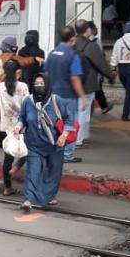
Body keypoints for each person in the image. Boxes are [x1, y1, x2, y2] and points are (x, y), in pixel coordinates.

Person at [18, 73, 75, 210]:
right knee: (33, 170)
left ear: (48, 85)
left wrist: (64, 135)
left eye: (42, 84)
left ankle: (48, 196)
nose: (39, 87)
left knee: (53, 172)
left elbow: (69, 118)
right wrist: (18, 126)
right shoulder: (28, 101)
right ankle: (29, 199)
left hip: (55, 144)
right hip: (34, 144)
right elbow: (22, 118)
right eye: (36, 84)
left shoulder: (56, 101)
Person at [45, 26, 85, 163]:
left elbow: (46, 74)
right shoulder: (72, 55)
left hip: (53, 95)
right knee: (70, 123)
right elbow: (75, 78)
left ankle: (53, 150)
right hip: (68, 95)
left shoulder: (52, 53)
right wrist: (83, 96)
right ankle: (67, 154)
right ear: (73, 39)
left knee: (54, 123)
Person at [73, 20, 115, 148]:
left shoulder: (71, 43)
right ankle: (79, 139)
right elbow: (100, 63)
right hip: (87, 83)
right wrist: (110, 76)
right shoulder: (90, 45)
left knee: (74, 111)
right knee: (84, 112)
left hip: (72, 82)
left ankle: (76, 137)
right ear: (88, 30)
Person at [0, 59, 29, 196]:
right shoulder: (23, 86)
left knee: (8, 156)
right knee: (26, 150)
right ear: (18, 71)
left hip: (5, 126)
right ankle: (17, 167)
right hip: (21, 126)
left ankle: (7, 187)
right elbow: (27, 105)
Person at [87, 21, 114, 114]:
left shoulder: (80, 41)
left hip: (84, 72)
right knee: (96, 89)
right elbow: (100, 57)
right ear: (91, 30)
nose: (97, 30)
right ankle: (103, 106)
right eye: (95, 28)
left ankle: (103, 106)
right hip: (94, 71)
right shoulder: (96, 41)